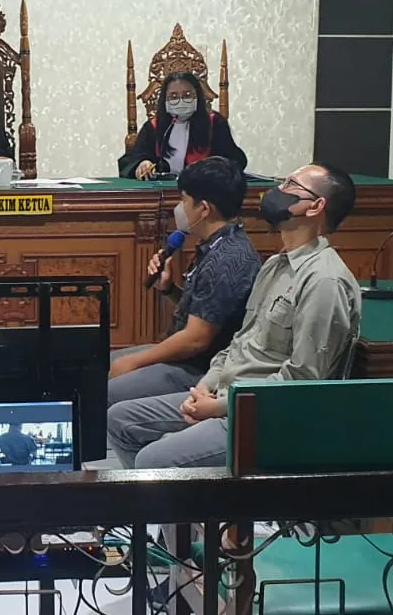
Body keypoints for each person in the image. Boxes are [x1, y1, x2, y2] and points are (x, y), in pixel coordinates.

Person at [106, 163, 361, 469]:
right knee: (120, 420)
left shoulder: (324, 281)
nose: (277, 191)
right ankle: (173, 498)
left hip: (264, 414)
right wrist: (206, 386)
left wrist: (219, 406)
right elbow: (240, 341)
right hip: (225, 389)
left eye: (291, 185)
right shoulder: (275, 265)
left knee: (152, 459)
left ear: (316, 206)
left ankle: (181, 495)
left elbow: (302, 381)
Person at [107, 156, 261, 406]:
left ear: (204, 209)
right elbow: (204, 312)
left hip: (201, 370)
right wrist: (168, 289)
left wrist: (135, 362)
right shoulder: (216, 245)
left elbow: (195, 340)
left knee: (106, 390)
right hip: (187, 357)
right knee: (99, 365)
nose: (180, 208)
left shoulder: (227, 259)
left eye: (184, 200)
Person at [118, 72, 248, 180]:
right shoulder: (153, 127)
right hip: (162, 193)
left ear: (197, 97)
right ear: (165, 100)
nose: (181, 101)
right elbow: (130, 159)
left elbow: (235, 160)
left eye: (187, 95)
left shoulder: (214, 124)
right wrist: (142, 164)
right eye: (173, 97)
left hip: (203, 192)